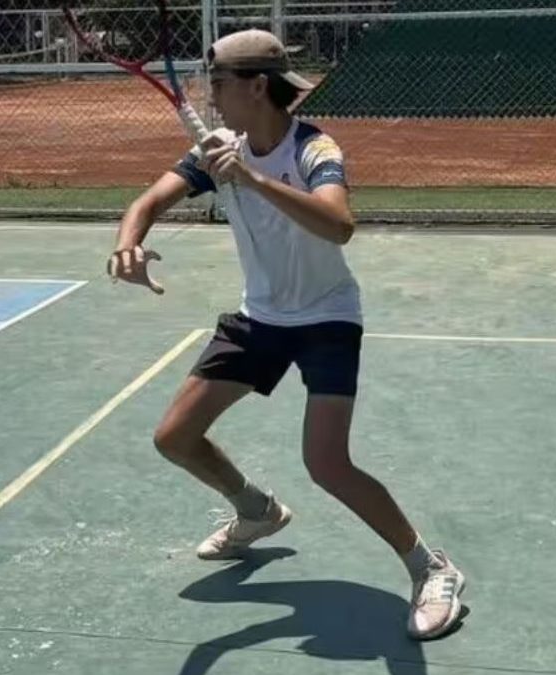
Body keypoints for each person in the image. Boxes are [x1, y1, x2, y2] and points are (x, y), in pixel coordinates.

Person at [107, 28, 466, 641]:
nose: (211, 96)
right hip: (260, 319)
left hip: (326, 317)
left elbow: (339, 225)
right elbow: (148, 201)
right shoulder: (216, 148)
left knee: (326, 463)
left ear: (256, 86)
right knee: (175, 437)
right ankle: (256, 508)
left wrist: (250, 179)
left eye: (219, 84)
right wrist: (127, 244)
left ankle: (431, 568)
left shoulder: (312, 148)